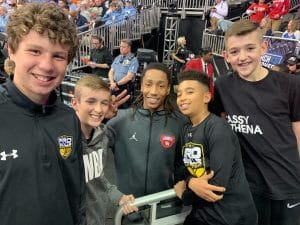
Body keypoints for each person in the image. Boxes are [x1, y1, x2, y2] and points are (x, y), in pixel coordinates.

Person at [0, 3, 85, 225]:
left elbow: (77, 196)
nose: (47, 66)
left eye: (58, 56)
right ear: (12, 50)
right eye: (35, 51)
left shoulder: (69, 118)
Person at [211, 20, 300, 225]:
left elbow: (298, 135)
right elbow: (213, 125)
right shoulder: (223, 86)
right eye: (234, 52)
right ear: (226, 56)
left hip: (286, 187)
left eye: (250, 48)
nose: (242, 57)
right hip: (245, 189)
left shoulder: (290, 85)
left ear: (263, 48)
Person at [174, 70, 257, 225]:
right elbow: (181, 169)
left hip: (231, 217)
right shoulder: (185, 129)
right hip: (204, 214)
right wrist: (191, 181)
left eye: (190, 92)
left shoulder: (218, 129)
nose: (182, 98)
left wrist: (184, 195)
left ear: (207, 97)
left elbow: (216, 188)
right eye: (179, 94)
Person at [107, 62, 186, 198]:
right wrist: (98, 120)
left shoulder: (180, 123)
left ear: (168, 89)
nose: (154, 91)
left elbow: (184, 166)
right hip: (128, 208)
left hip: (164, 207)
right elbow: (88, 148)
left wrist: (183, 184)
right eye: (148, 84)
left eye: (161, 86)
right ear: (142, 86)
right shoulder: (119, 120)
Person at [71, 75, 138, 225]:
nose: (99, 109)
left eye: (104, 103)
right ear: (75, 103)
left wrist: (118, 197)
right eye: (91, 101)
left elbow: (98, 181)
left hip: (96, 219)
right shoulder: (61, 139)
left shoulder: (102, 137)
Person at [108, 39, 139, 108]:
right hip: (114, 86)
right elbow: (111, 72)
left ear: (129, 48)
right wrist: (112, 83)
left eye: (123, 47)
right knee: (112, 105)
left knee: (124, 107)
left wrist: (116, 84)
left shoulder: (133, 60)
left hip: (125, 88)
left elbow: (129, 77)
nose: (121, 49)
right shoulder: (118, 58)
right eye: (120, 46)